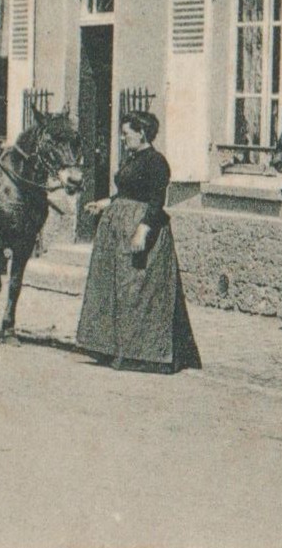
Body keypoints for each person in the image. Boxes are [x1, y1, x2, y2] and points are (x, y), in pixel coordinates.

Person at [74, 110, 201, 374]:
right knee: (117, 290)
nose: (122, 139)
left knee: (138, 292)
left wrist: (143, 230)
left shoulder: (156, 162)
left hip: (143, 231)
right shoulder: (134, 159)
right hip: (118, 231)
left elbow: (156, 200)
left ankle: (143, 353)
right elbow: (126, 192)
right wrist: (105, 203)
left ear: (141, 133)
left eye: (126, 134)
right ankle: (115, 347)